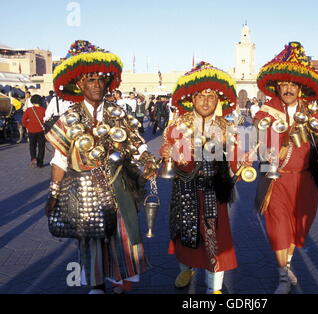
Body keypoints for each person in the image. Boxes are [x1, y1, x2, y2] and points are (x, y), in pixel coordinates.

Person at [44, 40, 159, 294]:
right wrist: (53, 193)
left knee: (124, 235)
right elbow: (60, 159)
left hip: (118, 185)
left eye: (101, 80)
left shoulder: (119, 113)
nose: (97, 85)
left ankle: (122, 282)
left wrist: (148, 161)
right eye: (90, 80)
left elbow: (137, 144)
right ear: (79, 84)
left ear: (108, 83)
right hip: (83, 190)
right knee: (91, 239)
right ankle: (97, 286)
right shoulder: (67, 120)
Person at [160, 61, 249, 294]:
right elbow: (169, 157)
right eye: (201, 96)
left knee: (215, 241)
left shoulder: (227, 129)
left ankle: (214, 289)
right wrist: (167, 153)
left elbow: (233, 165)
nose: (206, 101)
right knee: (183, 234)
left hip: (213, 193)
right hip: (184, 191)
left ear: (218, 100)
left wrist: (241, 164)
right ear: (192, 99)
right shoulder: (178, 125)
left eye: (211, 97)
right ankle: (186, 269)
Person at [254, 42, 318, 294]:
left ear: (300, 87)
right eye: (283, 85)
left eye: (292, 85)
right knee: (278, 227)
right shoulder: (265, 113)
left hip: (306, 181)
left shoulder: (314, 114)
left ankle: (287, 265)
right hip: (276, 180)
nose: (288, 89)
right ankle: (282, 276)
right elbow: (263, 145)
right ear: (277, 87)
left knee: (299, 226)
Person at [22, 95, 46, 168]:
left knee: (32, 146)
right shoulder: (44, 110)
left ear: (32, 101)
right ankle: (40, 163)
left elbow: (23, 121)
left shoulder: (29, 110)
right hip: (41, 131)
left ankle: (33, 158)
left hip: (31, 130)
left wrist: (28, 126)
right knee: (41, 147)